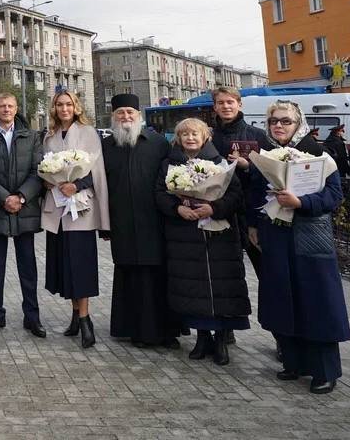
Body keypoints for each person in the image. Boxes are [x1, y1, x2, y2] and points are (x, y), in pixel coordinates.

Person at [249, 99, 350, 394]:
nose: (278, 126)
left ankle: (324, 371)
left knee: (317, 301)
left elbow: (334, 196)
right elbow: (254, 193)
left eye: (286, 121)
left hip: (309, 236)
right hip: (276, 236)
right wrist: (253, 225)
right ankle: (293, 362)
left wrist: (301, 202)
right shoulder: (265, 155)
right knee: (282, 298)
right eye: (273, 121)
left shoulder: (319, 154)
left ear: (298, 123)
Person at [156, 118, 250, 366]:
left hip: (218, 236)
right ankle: (202, 336)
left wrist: (214, 208)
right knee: (193, 286)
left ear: (205, 137)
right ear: (178, 138)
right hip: (184, 236)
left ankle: (221, 339)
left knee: (220, 286)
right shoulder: (169, 164)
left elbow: (235, 194)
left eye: (195, 133)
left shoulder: (220, 163)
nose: (190, 138)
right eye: (185, 134)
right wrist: (177, 209)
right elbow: (160, 193)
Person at [102, 94, 180, 349]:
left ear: (138, 115)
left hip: (154, 221)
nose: (125, 117)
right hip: (122, 222)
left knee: (157, 275)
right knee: (129, 275)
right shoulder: (106, 146)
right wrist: (104, 223)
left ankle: (164, 331)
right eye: (120, 113)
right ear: (113, 116)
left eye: (130, 112)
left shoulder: (158, 143)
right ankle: (132, 329)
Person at [0, 92, 46, 337]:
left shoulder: (31, 136)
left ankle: (32, 317)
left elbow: (39, 171)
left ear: (16, 108)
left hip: (25, 209)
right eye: (2, 105)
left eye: (10, 105)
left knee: (28, 267)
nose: (6, 109)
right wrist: (4, 198)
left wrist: (21, 197)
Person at [41, 91, 109, 348]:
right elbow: (45, 168)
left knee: (81, 265)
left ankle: (85, 320)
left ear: (76, 107)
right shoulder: (49, 136)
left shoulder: (88, 132)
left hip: (80, 208)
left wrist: (77, 185)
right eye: (59, 104)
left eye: (68, 104)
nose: (64, 108)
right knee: (64, 266)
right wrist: (50, 182)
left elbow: (95, 169)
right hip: (58, 207)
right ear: (54, 108)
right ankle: (74, 315)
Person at [209, 86, 274, 354]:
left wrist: (250, 166)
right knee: (223, 274)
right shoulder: (209, 137)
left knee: (268, 276)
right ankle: (225, 329)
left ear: (239, 104)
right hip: (221, 213)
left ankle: (281, 336)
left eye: (230, 102)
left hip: (253, 215)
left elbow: (274, 172)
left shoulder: (257, 136)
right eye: (221, 103)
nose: (226, 107)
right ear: (215, 107)